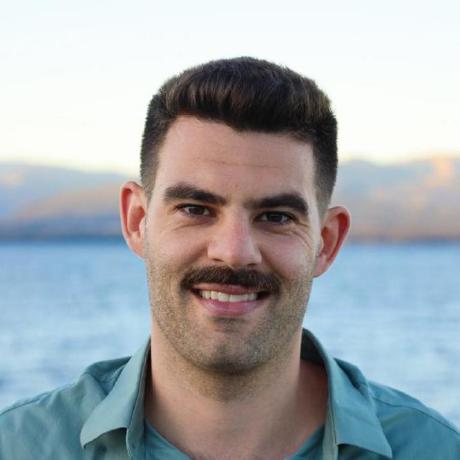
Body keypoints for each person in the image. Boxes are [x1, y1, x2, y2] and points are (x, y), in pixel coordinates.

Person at [1, 57, 459, 460]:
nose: (235, 251)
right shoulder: (19, 446)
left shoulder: (433, 450)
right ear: (137, 220)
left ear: (326, 241)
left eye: (276, 217)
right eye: (195, 209)